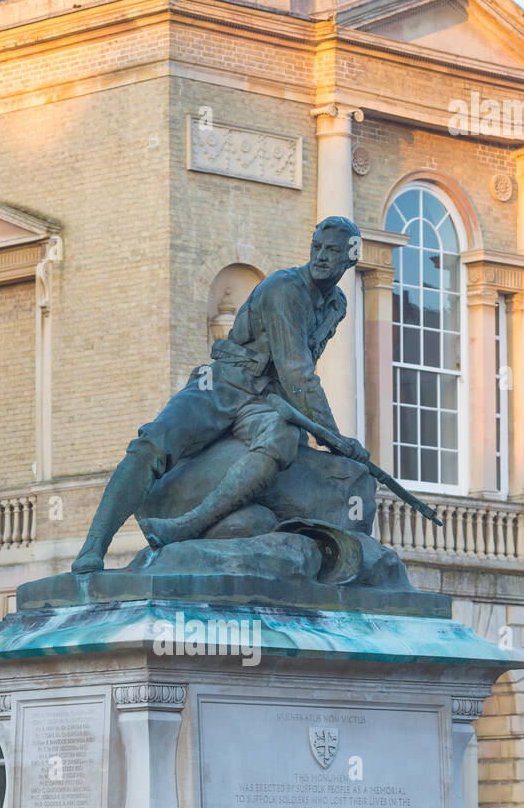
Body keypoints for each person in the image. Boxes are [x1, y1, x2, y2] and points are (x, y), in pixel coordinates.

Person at [71, 216, 364, 573]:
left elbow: (293, 377)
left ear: (350, 258)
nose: (319, 257)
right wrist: (334, 438)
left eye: (331, 251)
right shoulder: (285, 289)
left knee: (282, 436)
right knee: (153, 443)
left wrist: (322, 433)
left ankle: (188, 525)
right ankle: (92, 548)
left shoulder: (337, 305)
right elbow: (298, 373)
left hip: (264, 399)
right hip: (224, 382)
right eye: (316, 247)